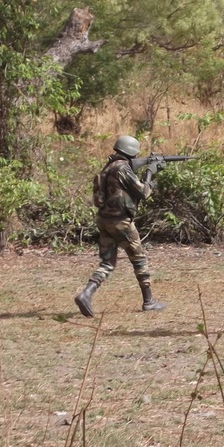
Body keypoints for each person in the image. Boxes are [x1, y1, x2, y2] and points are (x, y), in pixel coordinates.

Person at [74, 135, 167, 318]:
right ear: (131, 152)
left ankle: (86, 293)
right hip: (120, 221)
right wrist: (151, 172)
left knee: (107, 263)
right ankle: (148, 301)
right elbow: (143, 192)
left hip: (104, 220)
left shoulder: (108, 168)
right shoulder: (123, 168)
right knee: (139, 258)